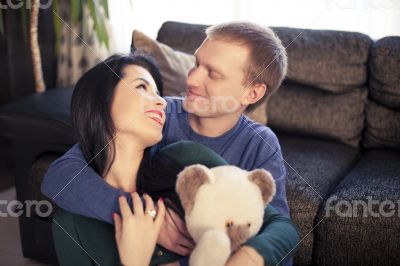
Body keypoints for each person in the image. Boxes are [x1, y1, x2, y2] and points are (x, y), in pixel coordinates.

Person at [43, 21, 299, 266]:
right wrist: (145, 214)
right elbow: (61, 174)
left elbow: (277, 230)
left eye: (213, 73)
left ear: (251, 93)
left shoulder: (258, 144)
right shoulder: (158, 118)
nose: (192, 80)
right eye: (197, 63)